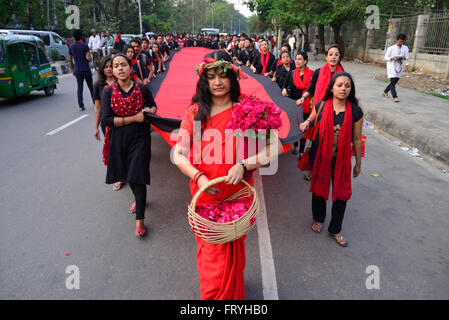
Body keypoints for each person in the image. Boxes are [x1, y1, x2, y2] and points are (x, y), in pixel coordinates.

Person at [173, 50, 283, 299]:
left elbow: (275, 146)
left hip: (236, 199)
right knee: (211, 263)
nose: (218, 82)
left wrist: (244, 164)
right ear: (204, 80)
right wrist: (198, 176)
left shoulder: (248, 110)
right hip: (205, 198)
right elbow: (178, 154)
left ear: (233, 79)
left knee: (233, 254)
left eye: (223, 76)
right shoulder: (194, 113)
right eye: (212, 77)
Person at [299, 72, 363, 247]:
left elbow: (357, 139)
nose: (343, 89)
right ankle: (318, 219)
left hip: (341, 161)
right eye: (340, 85)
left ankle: (335, 229)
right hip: (321, 156)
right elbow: (311, 120)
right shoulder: (321, 105)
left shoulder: (356, 112)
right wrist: (305, 124)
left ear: (351, 89)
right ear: (332, 87)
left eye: (347, 86)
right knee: (319, 191)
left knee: (341, 195)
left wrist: (358, 163)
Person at [100, 53, 157, 238]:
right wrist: (134, 118)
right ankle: (139, 199)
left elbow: (154, 106)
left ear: (130, 68)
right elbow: (107, 119)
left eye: (123, 65)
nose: (120, 68)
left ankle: (140, 220)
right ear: (113, 71)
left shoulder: (141, 88)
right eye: (116, 66)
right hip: (119, 140)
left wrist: (150, 110)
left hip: (140, 137)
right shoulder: (108, 91)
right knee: (130, 176)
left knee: (137, 175)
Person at [282, 51, 313, 176]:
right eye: (296, 59)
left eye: (300, 59)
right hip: (294, 105)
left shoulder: (312, 74)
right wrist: (284, 89)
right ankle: (295, 145)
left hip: (307, 105)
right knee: (296, 125)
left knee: (304, 127)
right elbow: (285, 85)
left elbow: (313, 88)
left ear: (305, 61)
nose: (298, 61)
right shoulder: (291, 73)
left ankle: (301, 150)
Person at [68, 29, 94, 111]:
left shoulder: (71, 47)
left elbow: (70, 60)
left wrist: (73, 70)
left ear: (74, 37)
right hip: (86, 69)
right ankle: (95, 102)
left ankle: (81, 105)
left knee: (80, 88)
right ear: (81, 36)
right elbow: (89, 58)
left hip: (78, 69)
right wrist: (88, 59)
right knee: (91, 87)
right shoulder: (85, 46)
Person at [383, 34, 409, 103]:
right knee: (393, 81)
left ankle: (385, 92)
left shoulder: (405, 48)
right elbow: (385, 57)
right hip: (391, 66)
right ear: (397, 40)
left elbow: (407, 57)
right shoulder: (391, 48)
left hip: (399, 67)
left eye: (402, 42)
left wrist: (404, 57)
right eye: (399, 41)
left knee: (394, 82)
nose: (400, 43)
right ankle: (395, 96)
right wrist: (392, 58)